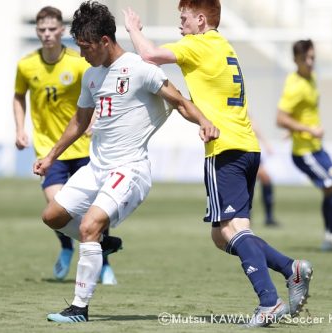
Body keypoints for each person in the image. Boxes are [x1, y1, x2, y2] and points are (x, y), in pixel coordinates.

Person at [124, 0, 312, 327]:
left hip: (224, 149)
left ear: (200, 20)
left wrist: (134, 30)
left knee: (232, 229)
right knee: (222, 235)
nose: (180, 25)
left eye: (183, 18)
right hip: (246, 147)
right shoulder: (224, 46)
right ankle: (290, 268)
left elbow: (150, 56)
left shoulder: (197, 45)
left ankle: (268, 301)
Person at [34, 1, 219, 323]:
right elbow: (79, 121)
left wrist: (204, 121)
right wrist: (51, 156)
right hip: (96, 168)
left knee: (89, 226)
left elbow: (179, 101)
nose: (82, 55)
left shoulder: (140, 69)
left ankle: (79, 307)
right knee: (52, 216)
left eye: (86, 48)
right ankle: (104, 242)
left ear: (105, 41)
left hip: (129, 169)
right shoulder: (91, 75)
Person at [13, 6, 117, 284]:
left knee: (92, 212)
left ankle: (104, 264)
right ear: (37, 31)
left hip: (83, 149)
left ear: (61, 30)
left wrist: (95, 119)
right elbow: (18, 97)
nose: (47, 34)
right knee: (57, 207)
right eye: (42, 30)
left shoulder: (78, 62)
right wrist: (19, 129)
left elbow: (99, 91)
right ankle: (66, 248)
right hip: (50, 150)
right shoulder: (26, 65)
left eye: (51, 29)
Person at [277, 39, 332, 255]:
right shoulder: (294, 86)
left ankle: (330, 237)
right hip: (305, 152)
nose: (310, 62)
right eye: (305, 59)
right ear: (295, 60)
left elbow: (297, 114)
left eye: (312, 58)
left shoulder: (311, 77)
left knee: (331, 189)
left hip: (316, 148)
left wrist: (294, 128)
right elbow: (280, 118)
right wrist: (307, 129)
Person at [252, 122, 280, 227]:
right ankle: (245, 216)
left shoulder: (244, 109)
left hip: (252, 150)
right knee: (247, 181)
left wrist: (265, 143)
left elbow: (254, 125)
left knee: (266, 179)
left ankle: (269, 217)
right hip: (241, 150)